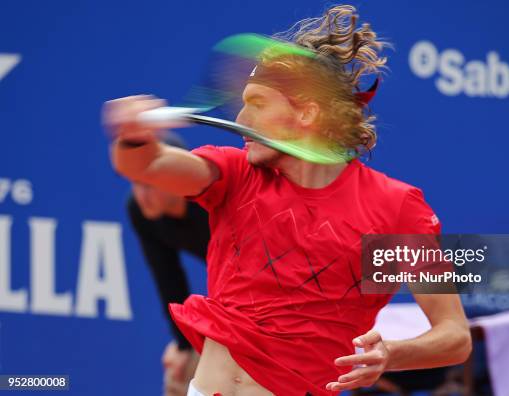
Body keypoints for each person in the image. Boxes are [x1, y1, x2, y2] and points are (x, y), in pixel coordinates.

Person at [103, 5, 471, 395]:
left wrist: (391, 354)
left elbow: (455, 336)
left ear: (307, 114)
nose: (241, 118)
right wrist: (133, 136)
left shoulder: (394, 207)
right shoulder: (235, 174)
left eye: (258, 104)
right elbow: (150, 164)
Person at [126, 134, 211, 396]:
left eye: (148, 184)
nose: (141, 195)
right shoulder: (140, 212)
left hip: (278, 301)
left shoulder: (213, 203)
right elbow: (168, 280)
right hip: (234, 304)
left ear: (178, 180)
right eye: (135, 184)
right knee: (179, 375)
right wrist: (184, 345)